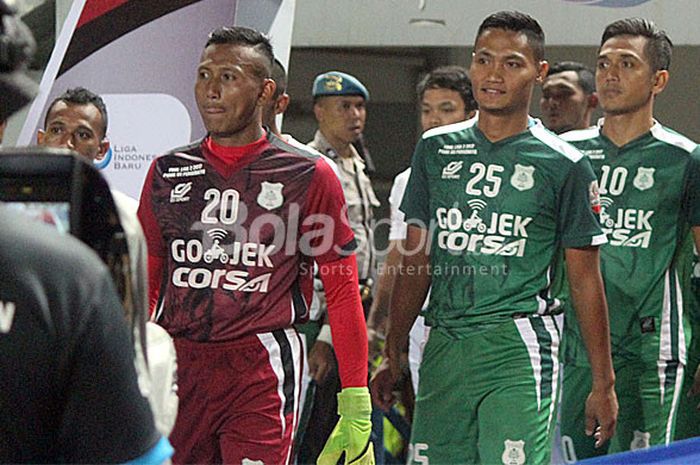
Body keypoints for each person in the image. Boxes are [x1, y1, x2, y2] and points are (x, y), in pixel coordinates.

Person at [372, 11, 618, 465]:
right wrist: (395, 346)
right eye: (484, 60)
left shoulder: (565, 164)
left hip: (518, 345)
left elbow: (585, 279)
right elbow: (416, 257)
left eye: (511, 63)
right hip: (444, 341)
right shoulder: (435, 148)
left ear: (539, 73)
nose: (494, 74)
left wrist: (603, 382)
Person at [138, 26, 373, 465]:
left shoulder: (310, 174)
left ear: (266, 90)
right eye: (204, 74)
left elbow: (342, 291)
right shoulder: (166, 171)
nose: (210, 89)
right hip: (180, 363)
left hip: (261, 367)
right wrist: (129, 361)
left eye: (228, 76)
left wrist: (355, 399)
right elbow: (147, 282)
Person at [558, 17, 700, 460]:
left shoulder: (686, 159)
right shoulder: (564, 154)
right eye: (603, 64)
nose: (611, 74)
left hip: (654, 353)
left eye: (626, 63)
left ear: (658, 79)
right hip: (576, 350)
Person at [37, 87, 178, 436]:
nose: (67, 142)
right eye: (57, 129)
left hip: (91, 374)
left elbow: (131, 313)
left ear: (102, 150)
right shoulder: (10, 209)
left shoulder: (126, 217)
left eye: (82, 134)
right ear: (40, 138)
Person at [368, 65, 477, 396]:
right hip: (424, 321)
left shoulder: (493, 176)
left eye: (447, 110)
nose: (434, 119)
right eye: (427, 110)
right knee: (431, 425)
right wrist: (379, 324)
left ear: (471, 114)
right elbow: (400, 257)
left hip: (483, 320)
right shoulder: (407, 179)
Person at [297, 70, 380, 463]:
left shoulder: (356, 162)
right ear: (318, 111)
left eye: (360, 106)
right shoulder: (312, 167)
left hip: (353, 310)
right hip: (320, 318)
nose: (355, 115)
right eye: (344, 106)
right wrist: (327, 336)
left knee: (341, 428)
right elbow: (321, 262)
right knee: (310, 428)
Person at [539, 61, 598, 134]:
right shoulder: (529, 143)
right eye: (546, 95)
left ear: (592, 101)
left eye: (564, 94)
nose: (552, 102)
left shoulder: (608, 143)